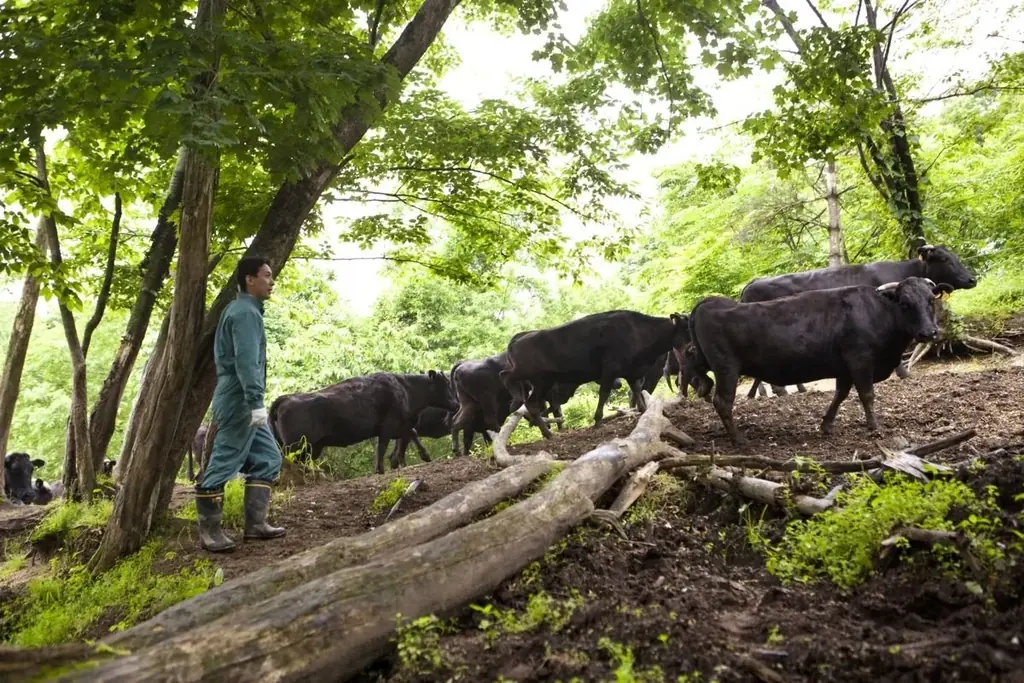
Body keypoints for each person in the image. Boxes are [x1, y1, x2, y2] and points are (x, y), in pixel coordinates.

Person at [195, 256, 286, 553]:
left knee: (269, 457)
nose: (272, 281)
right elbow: (247, 362)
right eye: (267, 276)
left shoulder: (246, 311)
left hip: (243, 398)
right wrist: (256, 402)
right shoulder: (245, 313)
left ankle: (256, 526)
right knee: (224, 460)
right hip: (239, 399)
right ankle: (209, 533)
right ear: (250, 279)